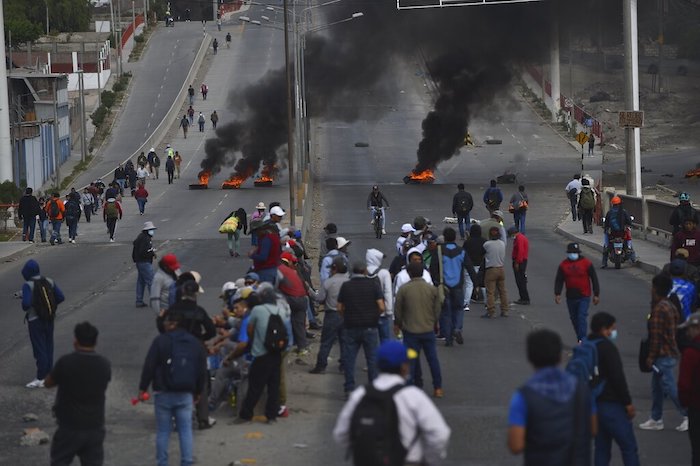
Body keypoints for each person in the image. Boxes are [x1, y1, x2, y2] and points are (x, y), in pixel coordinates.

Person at [333, 340, 451, 465]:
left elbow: (341, 434)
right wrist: (429, 458)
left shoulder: (360, 395)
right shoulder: (413, 396)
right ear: (404, 367)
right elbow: (440, 434)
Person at [507, 329, 593, 465]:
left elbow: (516, 445)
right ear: (560, 356)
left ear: (530, 357)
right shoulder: (581, 388)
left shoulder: (523, 396)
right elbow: (593, 427)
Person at [138, 313, 207, 466]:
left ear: (172, 324)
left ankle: (162, 462)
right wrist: (198, 391)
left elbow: (149, 366)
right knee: (185, 430)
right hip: (185, 393)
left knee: (163, 431)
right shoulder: (194, 343)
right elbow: (201, 369)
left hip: (163, 392)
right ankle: (187, 462)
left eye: (166, 322)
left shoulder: (161, 341)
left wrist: (143, 388)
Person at [44, 322, 111, 466]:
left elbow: (48, 383)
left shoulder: (66, 362)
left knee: (59, 461)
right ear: (95, 341)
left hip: (69, 426)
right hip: (95, 426)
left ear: (76, 341)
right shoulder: (104, 365)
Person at [158, 276, 217, 430]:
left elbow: (162, 328)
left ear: (182, 291)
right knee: (202, 381)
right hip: (196, 348)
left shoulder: (173, 309)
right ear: (196, 294)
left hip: (175, 348)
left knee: (175, 379)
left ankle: (179, 418)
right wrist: (201, 339)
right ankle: (203, 418)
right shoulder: (199, 311)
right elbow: (211, 330)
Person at [585, 312, 640, 466]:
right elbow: (617, 378)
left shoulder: (587, 345)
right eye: (612, 329)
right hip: (611, 404)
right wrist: (627, 403)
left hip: (593, 405)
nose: (613, 332)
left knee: (601, 448)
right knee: (628, 446)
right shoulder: (607, 348)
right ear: (604, 329)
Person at [234, 283, 291, 424]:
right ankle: (271, 416)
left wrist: (256, 339)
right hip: (277, 353)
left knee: (255, 387)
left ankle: (245, 415)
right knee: (274, 386)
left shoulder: (257, 310)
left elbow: (250, 329)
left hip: (261, 353)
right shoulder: (280, 310)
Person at [638, 274, 688, 432]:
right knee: (657, 388)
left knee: (670, 387)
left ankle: (688, 415)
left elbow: (656, 336)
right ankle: (656, 418)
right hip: (669, 352)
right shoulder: (670, 305)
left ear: (656, 289)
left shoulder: (659, 309)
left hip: (663, 354)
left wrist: (651, 357)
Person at [395, 261, 443, 397]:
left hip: (410, 330)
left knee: (411, 360)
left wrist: (398, 324)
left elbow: (398, 310)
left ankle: (413, 386)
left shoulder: (404, 289)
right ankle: (437, 387)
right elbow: (438, 307)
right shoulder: (431, 289)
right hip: (428, 329)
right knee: (432, 359)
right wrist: (434, 321)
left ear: (409, 274)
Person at [338, 261, 385, 398]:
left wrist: (346, 316)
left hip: (351, 326)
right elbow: (381, 307)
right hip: (370, 326)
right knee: (371, 359)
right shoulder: (373, 285)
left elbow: (339, 308)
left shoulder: (346, 286)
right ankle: (373, 388)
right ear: (365, 271)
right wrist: (374, 316)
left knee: (349, 359)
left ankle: (349, 388)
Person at [21, 259, 66, 388]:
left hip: (35, 320)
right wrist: (49, 306)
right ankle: (49, 375)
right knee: (48, 346)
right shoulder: (49, 281)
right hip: (49, 318)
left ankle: (40, 377)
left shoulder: (28, 285)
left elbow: (26, 305)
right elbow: (61, 297)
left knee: (39, 348)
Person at [429, 227, 476, 345]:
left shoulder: (439, 251)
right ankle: (457, 328)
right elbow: (470, 267)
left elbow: (433, 267)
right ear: (455, 237)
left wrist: (435, 282)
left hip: (444, 286)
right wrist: (477, 283)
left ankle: (448, 338)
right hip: (458, 286)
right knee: (459, 309)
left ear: (444, 237)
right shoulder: (461, 251)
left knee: (445, 312)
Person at [309, 258, 350, 374]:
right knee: (344, 342)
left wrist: (309, 291)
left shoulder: (328, 282)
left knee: (326, 342)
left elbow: (319, 298)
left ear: (335, 269)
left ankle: (321, 366)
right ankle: (344, 365)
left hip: (332, 314)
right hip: (345, 315)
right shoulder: (348, 282)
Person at [554, 242, 600, 343]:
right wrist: (557, 293)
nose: (573, 254)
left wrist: (596, 294)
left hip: (584, 296)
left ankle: (582, 340)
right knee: (574, 319)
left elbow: (594, 278)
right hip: (570, 297)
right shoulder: (563, 265)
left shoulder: (586, 263)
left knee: (581, 316)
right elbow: (559, 280)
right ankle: (580, 337)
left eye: (575, 252)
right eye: (571, 252)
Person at [678, 312, 700, 464]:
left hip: (696, 406)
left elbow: (684, 384)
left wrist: (685, 402)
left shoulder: (691, 352)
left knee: (697, 450)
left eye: (690, 329)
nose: (687, 333)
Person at [277, 252, 309, 355]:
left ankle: (286, 346)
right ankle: (302, 347)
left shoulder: (279, 270)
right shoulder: (292, 271)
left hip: (291, 299)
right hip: (302, 299)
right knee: (299, 324)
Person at [480, 226, 509, 319]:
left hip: (491, 269)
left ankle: (491, 311)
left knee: (490, 292)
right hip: (501, 268)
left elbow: (483, 254)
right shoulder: (502, 244)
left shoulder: (487, 244)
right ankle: (505, 310)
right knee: (502, 291)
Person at [366, 248, 394, 344]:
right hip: (381, 311)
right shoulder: (384, 273)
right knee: (385, 338)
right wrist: (389, 310)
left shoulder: (363, 272)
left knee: (370, 341)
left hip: (368, 312)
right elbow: (387, 292)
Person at [602, 196, 636, 268]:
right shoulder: (624, 212)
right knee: (629, 245)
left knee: (606, 247)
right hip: (622, 233)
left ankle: (604, 263)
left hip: (612, 234)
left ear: (612, 204)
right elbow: (629, 221)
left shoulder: (609, 212)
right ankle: (633, 259)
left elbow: (606, 224)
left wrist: (606, 228)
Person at [132, 221, 157, 308]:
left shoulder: (141, 237)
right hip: (144, 262)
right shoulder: (145, 239)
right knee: (151, 281)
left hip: (139, 262)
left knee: (141, 282)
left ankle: (139, 301)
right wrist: (151, 253)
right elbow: (144, 251)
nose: (152, 231)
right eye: (151, 230)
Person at [509, 226, 530, 305]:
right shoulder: (521, 237)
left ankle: (524, 298)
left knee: (520, 280)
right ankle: (523, 297)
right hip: (521, 260)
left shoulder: (519, 239)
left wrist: (517, 262)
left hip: (520, 261)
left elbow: (520, 251)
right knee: (520, 280)